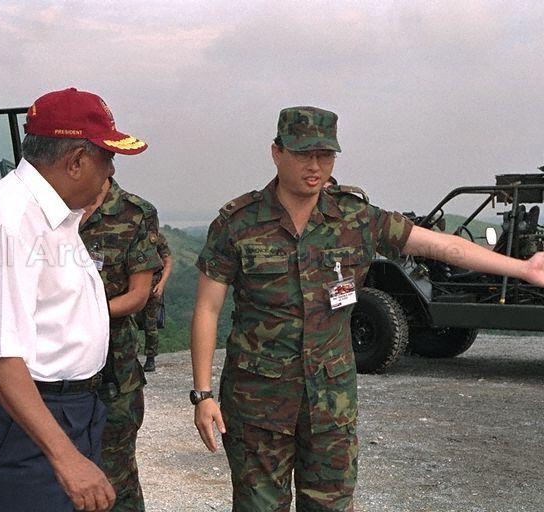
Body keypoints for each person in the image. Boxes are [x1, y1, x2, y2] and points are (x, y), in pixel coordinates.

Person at [190, 106, 544, 511]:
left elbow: (437, 245)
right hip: (257, 405)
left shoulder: (356, 218)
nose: (315, 166)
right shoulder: (238, 223)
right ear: (276, 152)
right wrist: (202, 393)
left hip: (331, 407)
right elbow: (207, 309)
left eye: (325, 155)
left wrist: (523, 268)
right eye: (304, 154)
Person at [0, 87, 147, 512]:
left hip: (60, 409)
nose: (109, 172)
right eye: (106, 159)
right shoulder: (6, 223)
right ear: (75, 161)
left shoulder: (53, 215)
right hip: (21, 420)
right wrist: (66, 457)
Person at [79, 177, 162, 511]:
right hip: (53, 372)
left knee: (115, 477)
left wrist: (79, 314)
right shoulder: (52, 208)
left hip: (114, 371)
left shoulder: (134, 213)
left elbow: (138, 296)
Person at [140, 230, 172, 372]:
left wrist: (162, 284)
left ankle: (150, 357)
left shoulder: (156, 237)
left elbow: (168, 260)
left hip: (153, 283)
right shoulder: (131, 232)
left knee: (150, 323)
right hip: (131, 282)